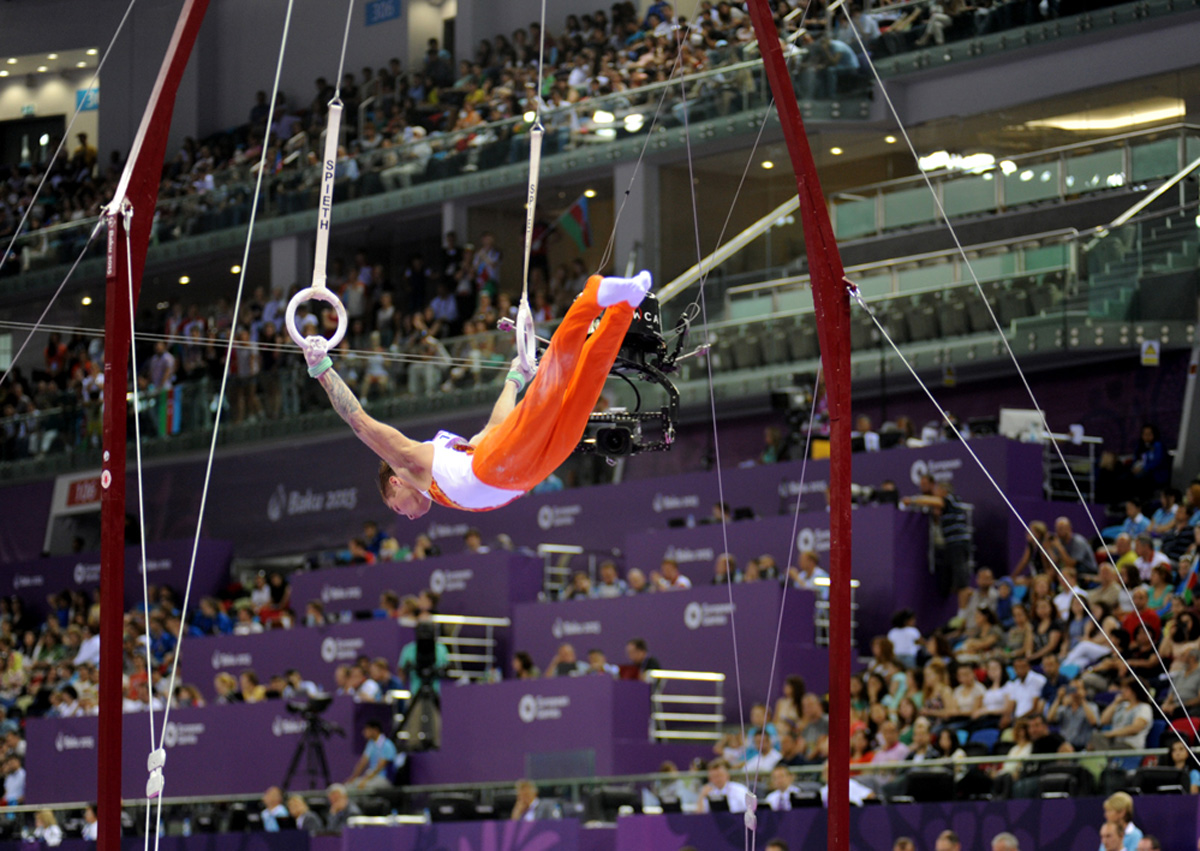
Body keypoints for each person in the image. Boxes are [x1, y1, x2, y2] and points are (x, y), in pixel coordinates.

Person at [304, 272, 653, 517]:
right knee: (585, 390)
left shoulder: (413, 460)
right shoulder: (452, 454)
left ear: (396, 481)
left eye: (396, 506)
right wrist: (513, 380)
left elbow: (360, 423)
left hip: (500, 472)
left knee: (552, 386)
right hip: (524, 474)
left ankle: (592, 297)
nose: (406, 516)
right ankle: (624, 308)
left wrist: (322, 370)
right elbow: (494, 429)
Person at [345, 719, 397, 791]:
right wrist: (353, 778)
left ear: (375, 730)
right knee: (348, 786)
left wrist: (365, 780)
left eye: (367, 730)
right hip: (371, 778)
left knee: (361, 787)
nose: (364, 732)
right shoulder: (370, 744)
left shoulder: (387, 745)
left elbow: (380, 767)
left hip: (384, 779)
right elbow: (362, 763)